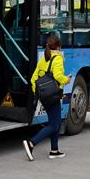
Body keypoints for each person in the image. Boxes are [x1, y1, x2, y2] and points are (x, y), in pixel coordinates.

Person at [23, 33, 70, 161]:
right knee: (54, 125)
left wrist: (39, 94)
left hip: (44, 96)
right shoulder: (58, 58)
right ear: (59, 46)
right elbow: (58, 76)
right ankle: (31, 143)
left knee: (55, 122)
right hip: (53, 96)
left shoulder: (44, 58)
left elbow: (34, 79)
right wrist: (67, 79)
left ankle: (54, 150)